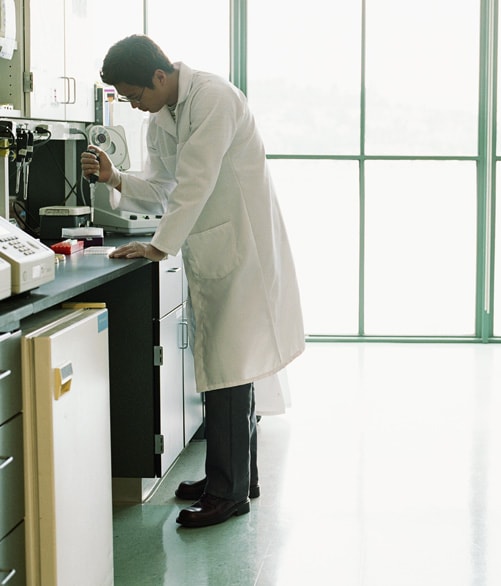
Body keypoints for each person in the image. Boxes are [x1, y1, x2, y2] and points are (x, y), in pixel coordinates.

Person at [81, 35, 305, 527]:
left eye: (135, 94)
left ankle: (229, 493)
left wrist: (159, 246)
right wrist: (116, 179)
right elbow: (162, 187)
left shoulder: (214, 98)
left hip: (243, 249)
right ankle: (234, 477)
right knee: (225, 367)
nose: (136, 106)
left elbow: (196, 180)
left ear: (160, 77)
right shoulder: (162, 118)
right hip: (210, 248)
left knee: (228, 369)